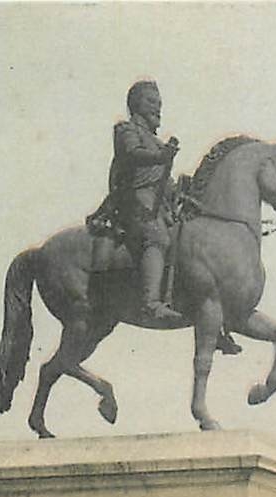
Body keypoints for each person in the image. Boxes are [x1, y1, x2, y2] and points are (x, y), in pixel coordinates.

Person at [109, 80, 182, 322]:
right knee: (157, 236)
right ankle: (150, 303)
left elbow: (166, 182)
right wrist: (161, 156)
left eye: (159, 103)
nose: (157, 108)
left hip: (158, 204)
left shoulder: (158, 143)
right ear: (135, 104)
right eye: (151, 102)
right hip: (135, 201)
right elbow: (133, 155)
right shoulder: (127, 130)